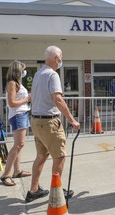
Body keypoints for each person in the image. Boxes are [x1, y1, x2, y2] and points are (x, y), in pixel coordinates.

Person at [25, 46, 80, 203]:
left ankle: (33, 190)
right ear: (56, 58)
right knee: (60, 156)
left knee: (41, 156)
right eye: (61, 57)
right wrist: (72, 120)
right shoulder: (52, 74)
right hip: (49, 121)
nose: (62, 60)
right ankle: (57, 191)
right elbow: (58, 99)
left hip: (36, 120)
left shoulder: (38, 73)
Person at [0, 60, 32, 186]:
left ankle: (17, 171)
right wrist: (27, 99)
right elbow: (11, 103)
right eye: (23, 69)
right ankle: (6, 174)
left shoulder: (17, 83)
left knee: (19, 145)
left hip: (22, 114)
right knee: (19, 145)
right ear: (18, 70)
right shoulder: (12, 83)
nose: (25, 71)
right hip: (18, 115)